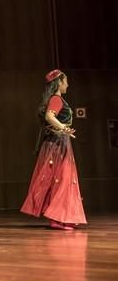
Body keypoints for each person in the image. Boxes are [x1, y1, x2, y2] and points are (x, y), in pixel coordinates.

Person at [21, 69, 87, 230]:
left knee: (60, 179)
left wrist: (63, 130)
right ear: (59, 83)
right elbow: (50, 117)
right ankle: (58, 218)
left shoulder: (56, 99)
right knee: (62, 179)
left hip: (59, 142)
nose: (68, 84)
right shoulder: (56, 99)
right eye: (66, 81)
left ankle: (63, 217)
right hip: (57, 144)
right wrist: (64, 128)